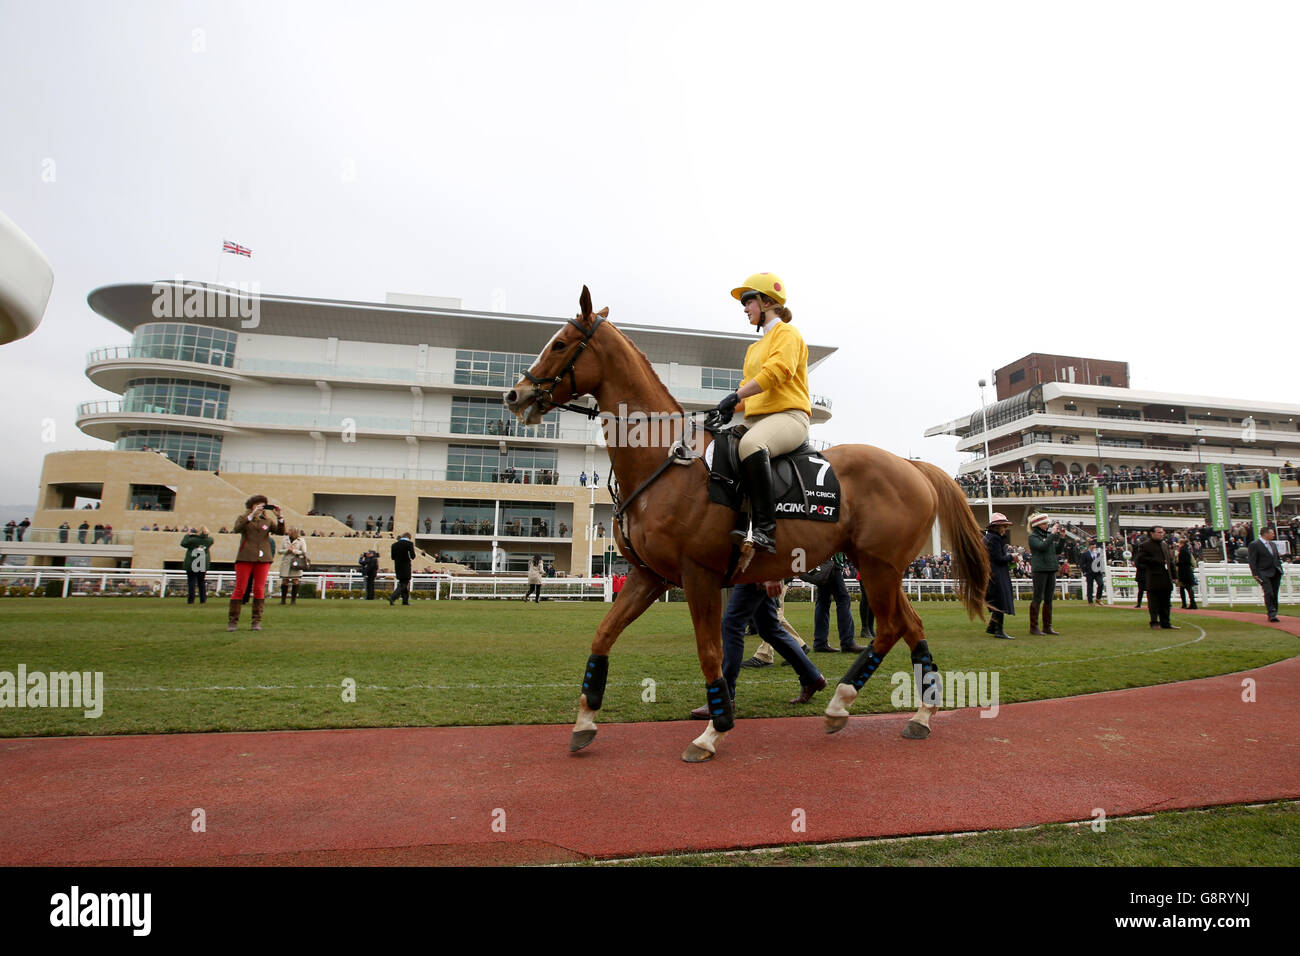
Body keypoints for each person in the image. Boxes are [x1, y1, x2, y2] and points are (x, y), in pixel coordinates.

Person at [707, 273, 811, 554]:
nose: (744, 308)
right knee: (720, 446)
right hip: (756, 420)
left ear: (767, 302)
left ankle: (765, 529)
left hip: (789, 417)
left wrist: (737, 396)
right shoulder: (754, 348)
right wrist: (726, 408)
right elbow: (747, 389)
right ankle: (739, 520)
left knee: (752, 445)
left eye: (748, 301)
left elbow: (777, 372)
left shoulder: (787, 333)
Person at [691, 580, 826, 719]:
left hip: (755, 573)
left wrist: (770, 577)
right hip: (756, 572)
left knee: (732, 625)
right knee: (769, 629)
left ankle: (723, 699)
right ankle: (811, 677)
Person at [228, 495, 285, 631]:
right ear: (251, 506)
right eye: (257, 505)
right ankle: (233, 621)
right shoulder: (244, 519)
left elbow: (280, 532)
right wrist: (251, 515)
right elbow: (237, 529)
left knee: (259, 589)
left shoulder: (268, 521)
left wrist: (280, 517)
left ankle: (256, 621)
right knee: (240, 588)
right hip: (245, 557)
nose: (260, 508)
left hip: (263, 558)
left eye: (263, 505)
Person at [740, 580, 812, 667]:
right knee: (777, 616)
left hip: (777, 579)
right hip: (779, 579)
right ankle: (800, 646)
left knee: (774, 617)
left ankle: (764, 655)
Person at [812, 553, 866, 652]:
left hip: (823, 563)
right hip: (832, 563)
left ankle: (820, 642)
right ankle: (847, 642)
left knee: (823, 601)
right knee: (843, 599)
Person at [1027, 512, 1065, 635]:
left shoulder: (1048, 535)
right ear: (1038, 525)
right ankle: (1034, 626)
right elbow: (1042, 547)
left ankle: (1047, 626)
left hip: (1050, 568)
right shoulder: (1033, 537)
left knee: (1049, 598)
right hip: (1040, 569)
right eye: (1044, 523)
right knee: (1038, 597)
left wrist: (1062, 539)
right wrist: (1053, 535)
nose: (1047, 525)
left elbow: (1057, 550)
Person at [1135, 526, 1178, 629]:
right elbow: (1139, 561)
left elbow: (1170, 561)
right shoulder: (1145, 546)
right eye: (1159, 532)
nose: (1161, 534)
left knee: (1166, 602)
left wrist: (1174, 576)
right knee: (1154, 602)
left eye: (1162, 532)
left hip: (1166, 578)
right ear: (1152, 533)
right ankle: (1154, 622)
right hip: (1153, 578)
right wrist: (1154, 561)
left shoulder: (1164, 545)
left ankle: (1166, 622)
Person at [983, 513, 1016, 639]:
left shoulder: (988, 538)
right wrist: (1011, 557)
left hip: (992, 572)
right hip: (997, 573)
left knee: (997, 601)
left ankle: (992, 627)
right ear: (997, 527)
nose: (1005, 529)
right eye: (1004, 526)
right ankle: (998, 630)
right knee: (1000, 602)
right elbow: (998, 558)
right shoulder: (995, 539)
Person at [1248, 525, 1284, 623]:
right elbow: (1252, 560)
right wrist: (1255, 573)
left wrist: (1280, 567)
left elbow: (1276, 557)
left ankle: (1274, 612)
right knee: (1269, 592)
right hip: (1263, 572)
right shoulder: (1255, 544)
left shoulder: (1273, 544)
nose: (1273, 535)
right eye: (1272, 533)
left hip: (1276, 572)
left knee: (1275, 593)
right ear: (1266, 534)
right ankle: (1271, 613)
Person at [180, 526, 214, 605]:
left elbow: (183, 543)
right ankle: (203, 599)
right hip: (202, 563)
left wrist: (188, 535)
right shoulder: (209, 540)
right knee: (201, 582)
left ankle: (191, 600)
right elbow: (209, 539)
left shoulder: (192, 540)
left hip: (192, 563)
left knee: (191, 582)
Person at [279, 529, 308, 605]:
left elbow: (304, 552)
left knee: (295, 581)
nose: (288, 532)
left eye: (290, 531)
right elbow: (279, 551)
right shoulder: (285, 539)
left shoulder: (301, 540)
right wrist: (287, 551)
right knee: (285, 581)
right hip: (286, 562)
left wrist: (294, 551)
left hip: (296, 563)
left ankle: (293, 600)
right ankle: (283, 600)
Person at [389, 532, 416, 605]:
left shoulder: (394, 545)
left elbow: (393, 557)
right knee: (404, 583)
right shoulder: (409, 544)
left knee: (402, 583)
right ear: (409, 537)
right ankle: (393, 597)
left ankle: (405, 601)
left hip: (397, 566)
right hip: (406, 566)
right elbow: (413, 556)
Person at [1176, 535, 1198, 610]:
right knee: (1187, 588)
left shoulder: (1183, 551)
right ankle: (1191, 603)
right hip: (1186, 571)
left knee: (1186, 588)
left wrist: (1177, 564)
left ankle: (1189, 604)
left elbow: (1184, 561)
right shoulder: (1187, 550)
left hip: (1184, 572)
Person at [1084, 540, 1106, 605]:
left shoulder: (1098, 554)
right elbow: (1082, 564)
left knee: (1101, 584)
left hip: (1097, 572)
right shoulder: (1085, 554)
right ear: (1089, 546)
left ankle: (1098, 598)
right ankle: (1090, 601)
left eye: (1094, 546)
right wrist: (1085, 572)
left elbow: (1100, 562)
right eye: (1092, 546)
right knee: (1090, 587)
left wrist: (1102, 570)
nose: (1093, 547)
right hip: (1089, 572)